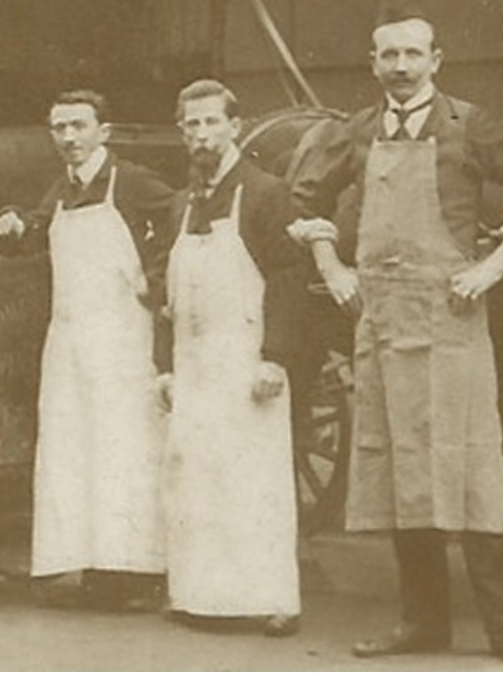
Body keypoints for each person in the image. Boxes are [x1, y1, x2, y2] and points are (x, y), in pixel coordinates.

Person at [288, 14, 503, 669]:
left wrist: (493, 265)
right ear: (372, 62)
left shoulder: (472, 126)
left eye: (412, 53)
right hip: (383, 325)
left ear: (435, 59)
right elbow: (301, 198)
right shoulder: (356, 131)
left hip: (451, 322)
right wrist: (332, 267)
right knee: (401, 471)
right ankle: (422, 619)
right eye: (388, 53)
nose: (400, 65)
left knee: (474, 469)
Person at [0, 89, 175, 610]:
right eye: (59, 128)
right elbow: (37, 226)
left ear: (104, 132)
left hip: (122, 340)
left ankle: (138, 573)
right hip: (70, 341)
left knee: (127, 452)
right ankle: (94, 564)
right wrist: (14, 222)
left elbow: (180, 217)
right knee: (78, 451)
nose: (68, 138)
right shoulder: (63, 188)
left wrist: (157, 281)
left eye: (78, 126)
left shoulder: (131, 181)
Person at [157, 79, 305, 637]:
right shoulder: (183, 202)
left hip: (246, 362)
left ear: (235, 126)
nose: (201, 134)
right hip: (193, 362)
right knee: (194, 476)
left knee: (254, 480)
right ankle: (197, 594)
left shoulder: (266, 193)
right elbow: (165, 293)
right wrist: (164, 367)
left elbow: (290, 278)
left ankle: (272, 598)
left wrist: (276, 357)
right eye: (191, 125)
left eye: (211, 122)